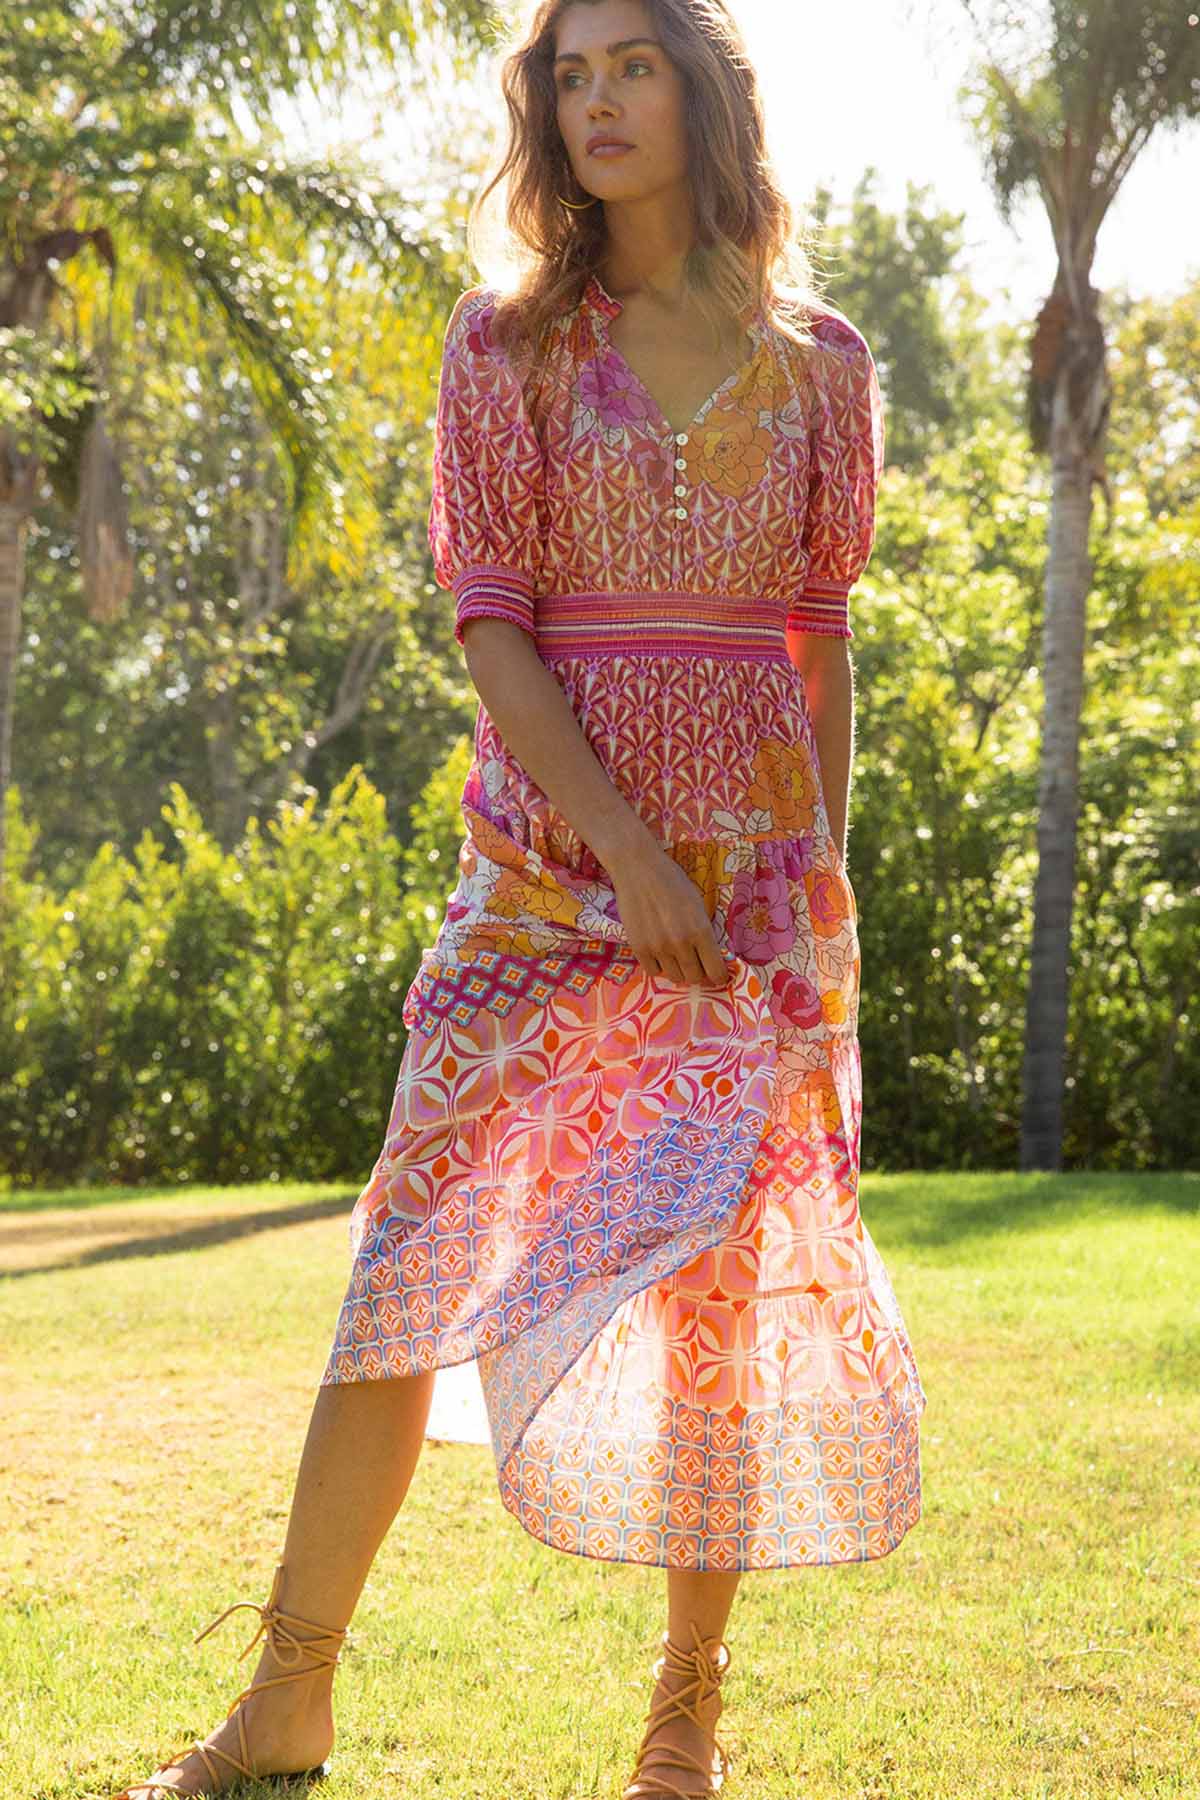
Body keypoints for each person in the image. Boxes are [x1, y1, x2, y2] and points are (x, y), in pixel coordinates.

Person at [109, 1, 928, 1795]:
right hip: (542, 883)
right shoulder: (508, 345)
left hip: (753, 901)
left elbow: (819, 638)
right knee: (404, 1264)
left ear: (702, 95)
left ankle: (686, 1716)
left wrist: (812, 881)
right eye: (570, 73)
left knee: (719, 1293)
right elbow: (493, 625)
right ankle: (287, 1697)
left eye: (632, 65)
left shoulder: (824, 363)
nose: (597, 100)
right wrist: (623, 854)